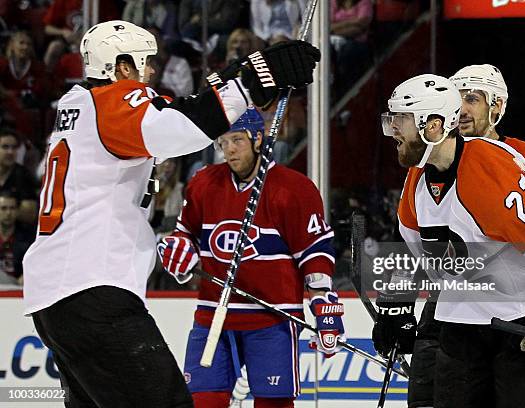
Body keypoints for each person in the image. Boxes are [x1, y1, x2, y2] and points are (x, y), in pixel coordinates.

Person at [22, 19, 320, 408]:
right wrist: (254, 78)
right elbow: (179, 126)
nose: (150, 72)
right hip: (91, 291)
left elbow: (183, 112)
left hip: (61, 296)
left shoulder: (80, 108)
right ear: (121, 67)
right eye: (145, 63)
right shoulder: (111, 101)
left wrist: (241, 80)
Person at [372, 74, 525, 408]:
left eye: (400, 119)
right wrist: (395, 308)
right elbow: (404, 249)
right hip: (458, 330)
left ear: (432, 126)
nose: (392, 130)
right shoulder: (417, 177)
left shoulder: (487, 169)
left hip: (520, 329)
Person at [157, 107, 343, 408]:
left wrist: (322, 300)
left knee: (273, 403)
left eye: (237, 140)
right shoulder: (204, 183)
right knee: (202, 401)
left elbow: (314, 250)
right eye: (223, 142)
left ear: (258, 139)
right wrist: (177, 251)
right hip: (213, 314)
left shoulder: (293, 189)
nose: (229, 150)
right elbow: (184, 234)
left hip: (272, 318)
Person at [0, 131, 38, 225]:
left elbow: (30, 214)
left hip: (18, 235)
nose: (10, 152)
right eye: (5, 147)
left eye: (14, 147)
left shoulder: (24, 175)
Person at [0, 190, 35, 288]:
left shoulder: (29, 237)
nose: (8, 213)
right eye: (3, 208)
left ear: (18, 211)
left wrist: (27, 275)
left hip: (19, 287)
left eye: (12, 208)